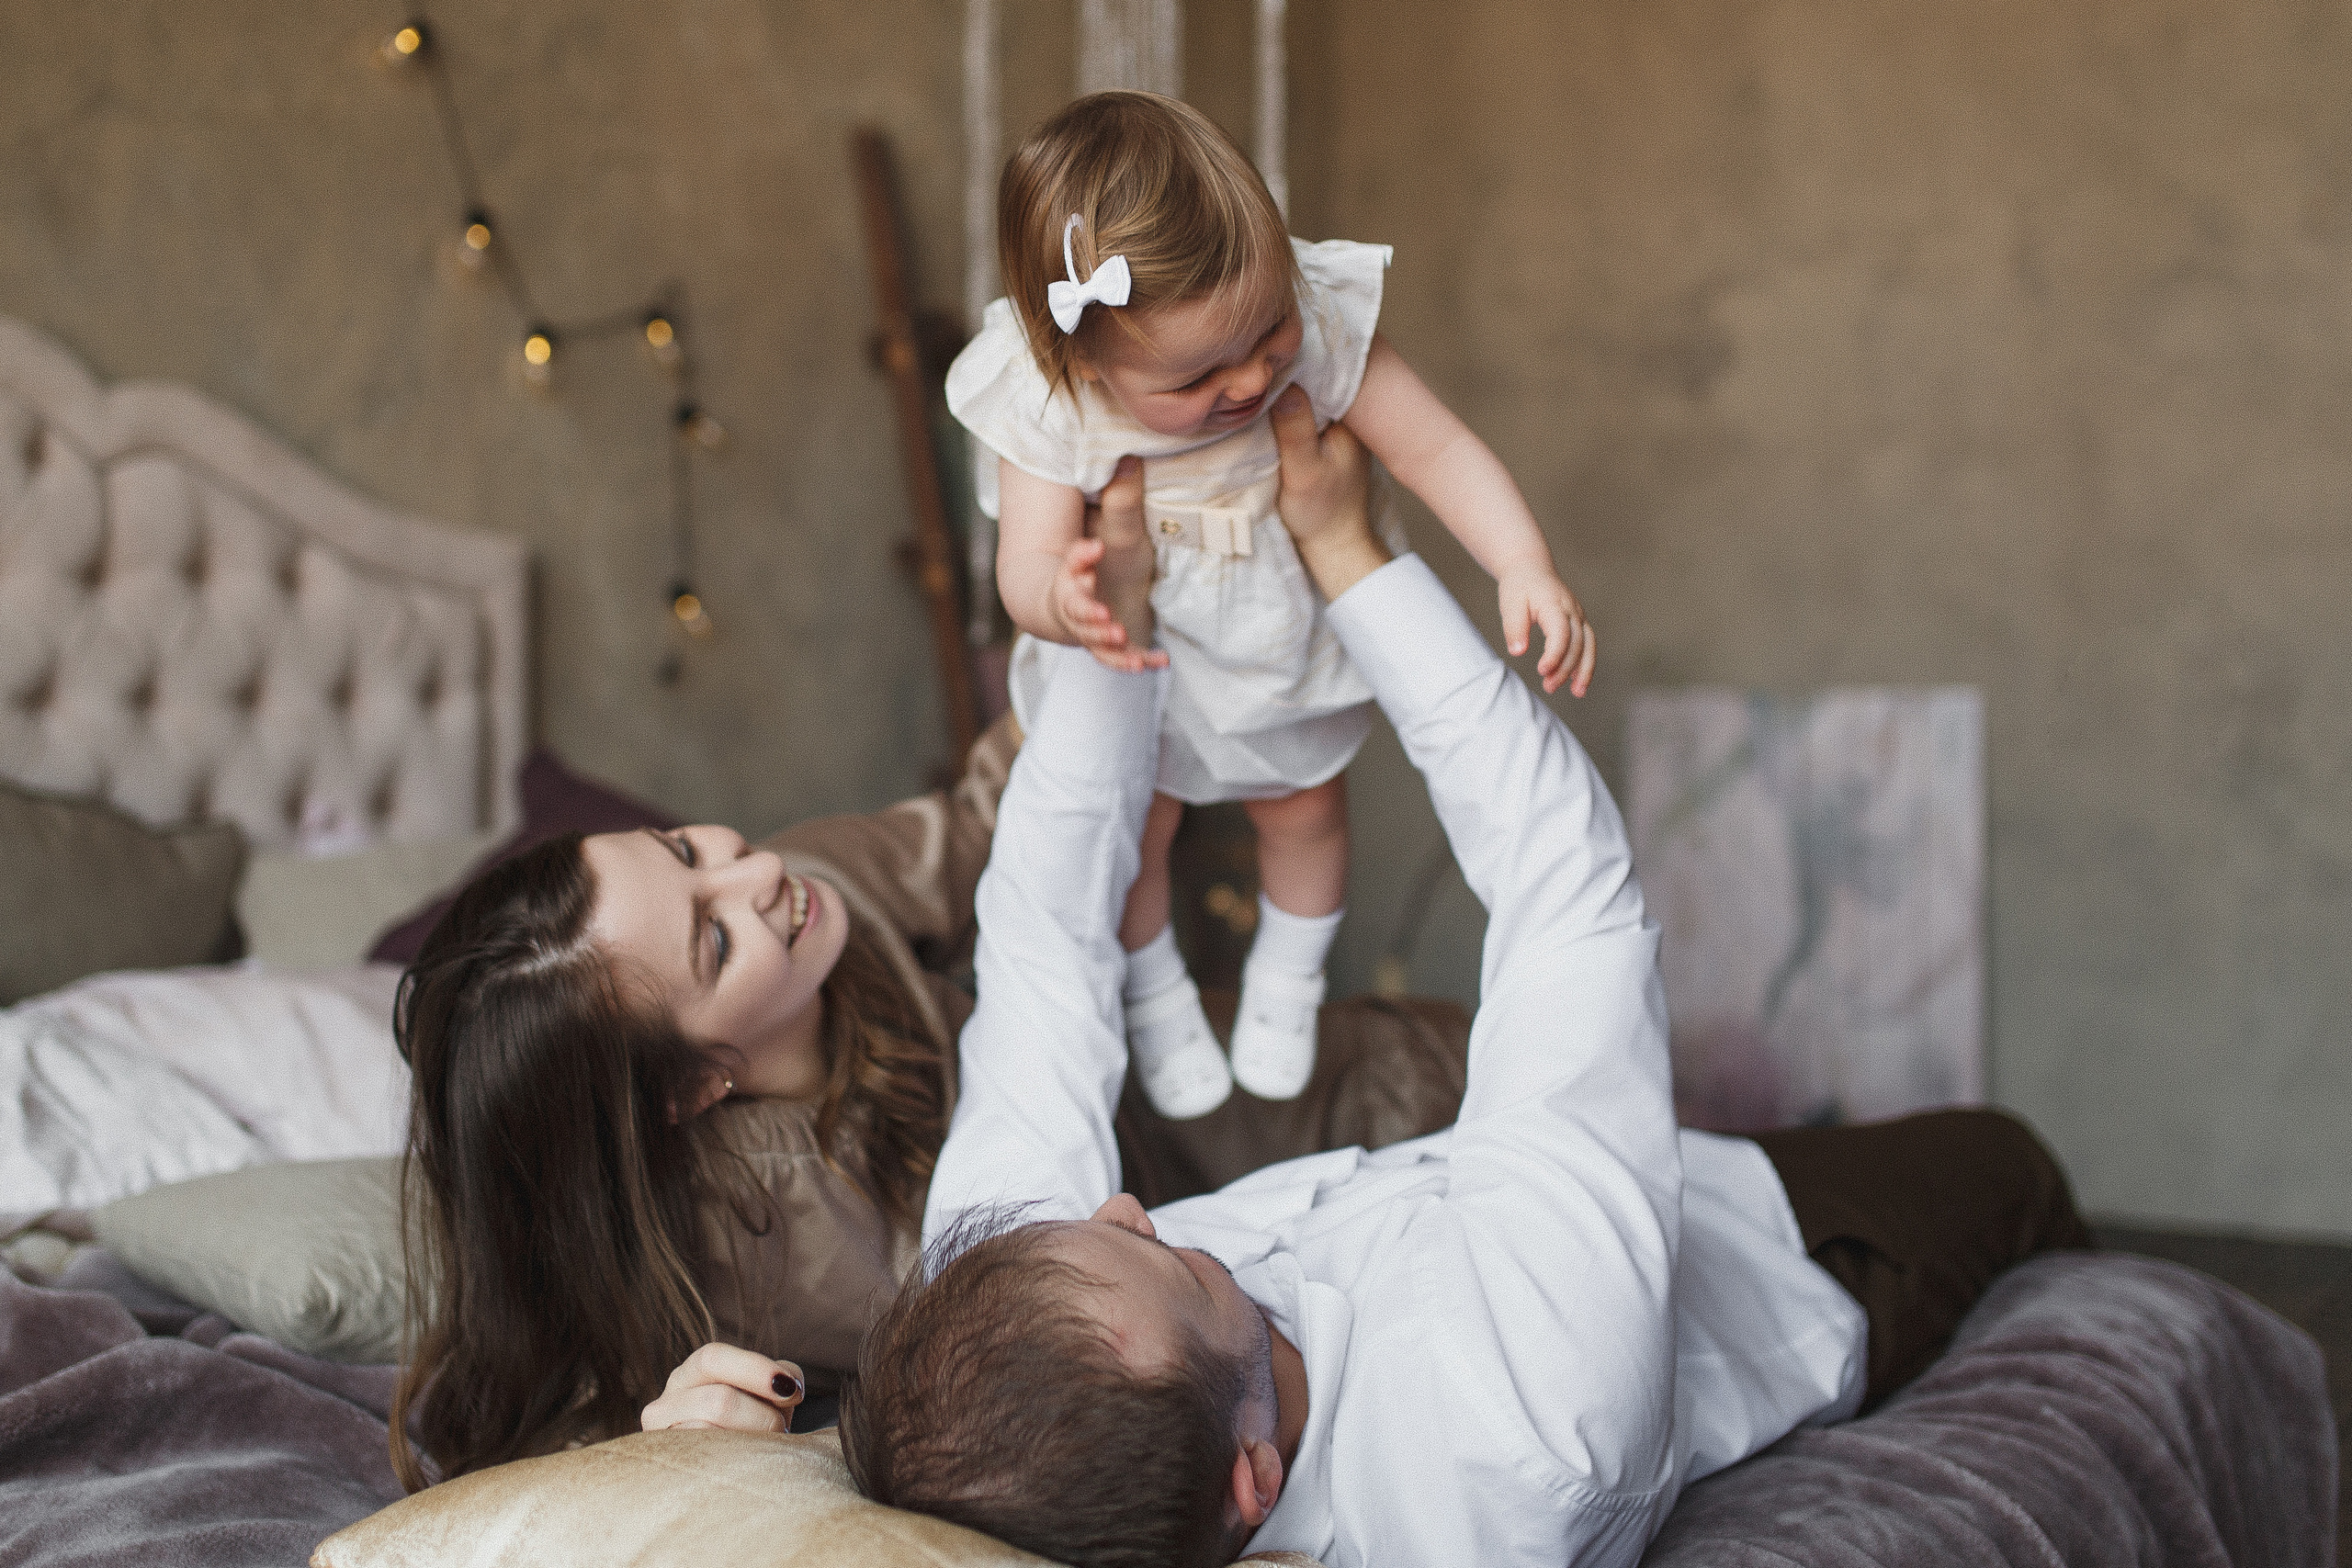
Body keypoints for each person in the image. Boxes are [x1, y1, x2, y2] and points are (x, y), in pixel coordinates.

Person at [644, 390, 2091, 1568]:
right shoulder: (1526, 1429)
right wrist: (1357, 560)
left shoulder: (1013, 1311)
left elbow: (1041, 938)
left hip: (1530, 1169)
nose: (1129, 1203)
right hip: (1788, 1255)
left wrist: (1116, 629)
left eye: (1097, 1229)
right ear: (1253, 1478)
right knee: (2010, 1166)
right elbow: (1568, 895)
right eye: (1165, 1255)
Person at [385, 494, 1476, 1494]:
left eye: (684, 846)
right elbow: (537, 1454)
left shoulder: (813, 886)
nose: (754, 874)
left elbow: (989, 825)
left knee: (1477, 1066)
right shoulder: (722, 1245)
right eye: (713, 938)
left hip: (1183, 1096)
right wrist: (658, 1453)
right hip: (1163, 1261)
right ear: (693, 1088)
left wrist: (1088, 624)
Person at [948, 90, 1594, 1120]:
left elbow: (1435, 448)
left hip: (1275, 638)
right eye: (1200, 373)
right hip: (1138, 655)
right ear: (1079, 356)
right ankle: (1155, 996)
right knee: (1136, 835)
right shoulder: (1048, 400)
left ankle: (1287, 979)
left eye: (1270, 331)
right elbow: (1022, 564)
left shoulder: (1322, 328)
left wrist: (1521, 561)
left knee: (1302, 815)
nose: (1253, 377)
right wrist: (1058, 600)